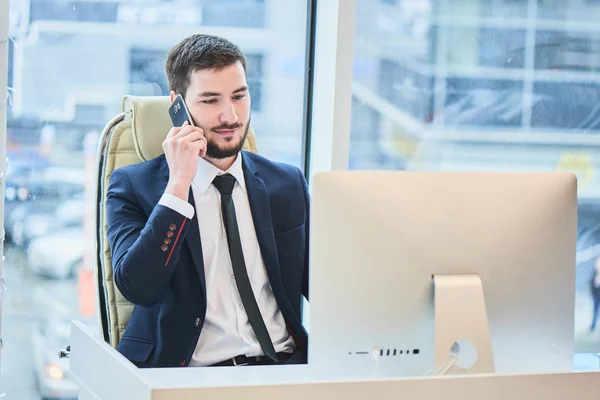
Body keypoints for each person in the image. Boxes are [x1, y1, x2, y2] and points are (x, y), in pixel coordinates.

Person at [106, 34, 309, 368]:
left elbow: (330, 286)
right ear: (178, 106)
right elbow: (139, 287)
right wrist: (179, 185)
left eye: (239, 97)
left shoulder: (287, 184)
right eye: (211, 101)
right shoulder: (134, 186)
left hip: (283, 369)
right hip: (187, 375)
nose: (230, 116)